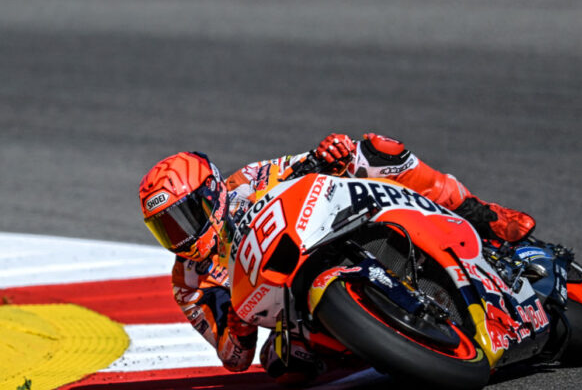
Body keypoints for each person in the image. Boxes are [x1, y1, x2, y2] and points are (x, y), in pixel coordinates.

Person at [138, 133, 535, 382]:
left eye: (182, 219)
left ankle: (482, 213)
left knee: (376, 151)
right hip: (292, 310)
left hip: (324, 231)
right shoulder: (189, 283)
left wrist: (326, 153)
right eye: (165, 229)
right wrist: (238, 323)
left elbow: (301, 165)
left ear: (211, 194)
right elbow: (233, 358)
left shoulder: (247, 181)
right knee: (279, 363)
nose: (180, 236)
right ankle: (386, 341)